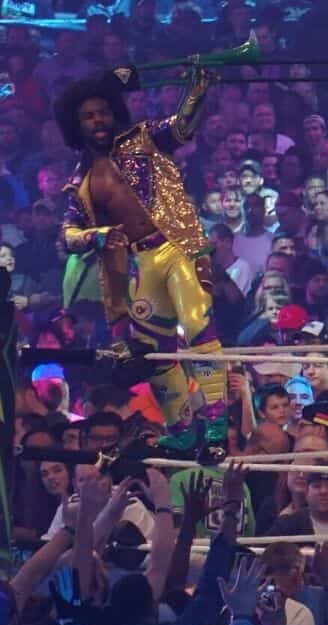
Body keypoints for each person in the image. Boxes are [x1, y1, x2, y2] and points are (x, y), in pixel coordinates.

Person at [55, 68, 228, 451]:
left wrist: (197, 88)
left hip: (177, 246)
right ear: (76, 125)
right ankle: (182, 432)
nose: (98, 120)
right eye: (89, 116)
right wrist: (95, 235)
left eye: (103, 112)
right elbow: (66, 235)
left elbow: (181, 128)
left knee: (197, 326)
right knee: (154, 351)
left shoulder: (143, 138)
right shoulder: (80, 181)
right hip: (141, 263)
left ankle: (217, 427)